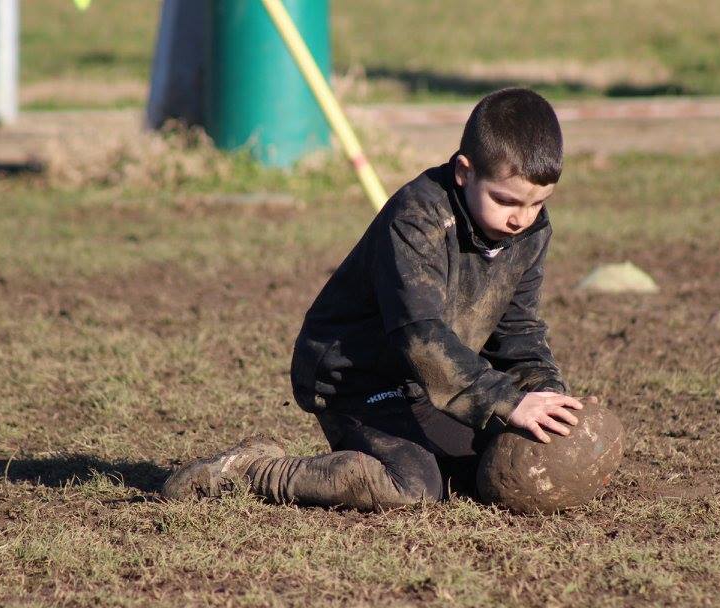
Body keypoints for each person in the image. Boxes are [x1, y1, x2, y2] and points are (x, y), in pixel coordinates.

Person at [162, 88, 587, 510]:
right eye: (505, 201)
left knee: (483, 467)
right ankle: (255, 471)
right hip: (354, 378)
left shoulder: (529, 231)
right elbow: (420, 335)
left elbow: (519, 332)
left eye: (538, 204)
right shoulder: (417, 217)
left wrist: (551, 399)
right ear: (464, 172)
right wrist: (508, 401)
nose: (521, 218)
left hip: (424, 382)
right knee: (415, 486)